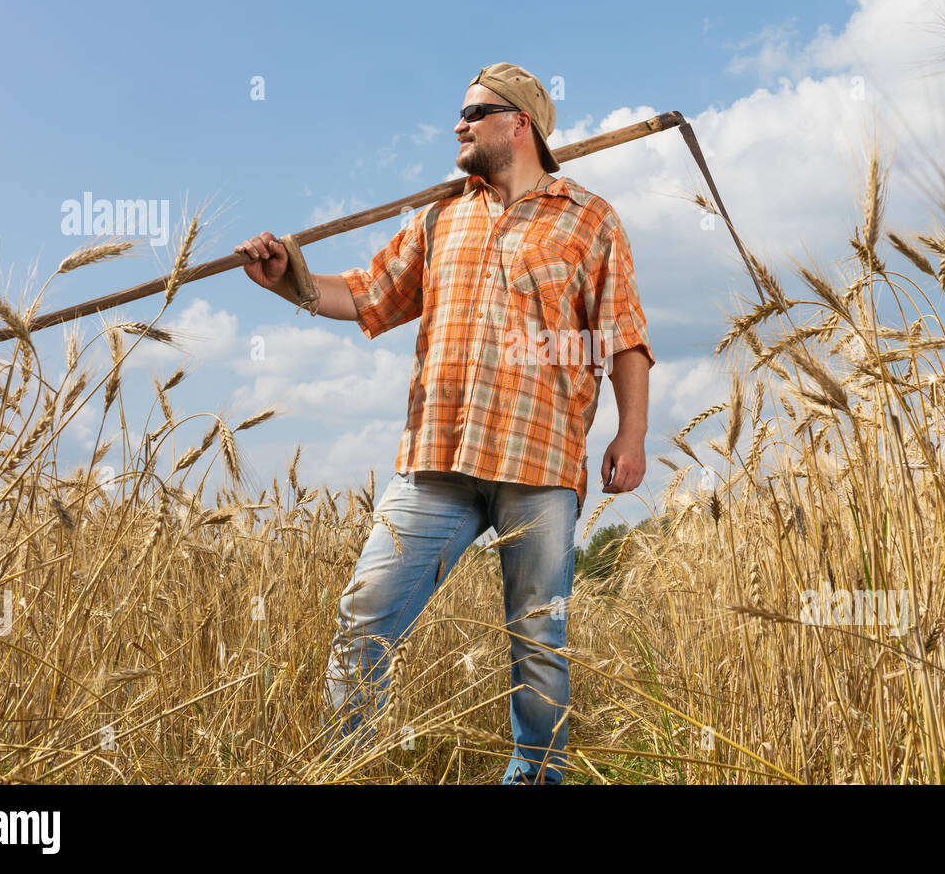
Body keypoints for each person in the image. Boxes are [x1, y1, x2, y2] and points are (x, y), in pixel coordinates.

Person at [233, 62, 654, 784]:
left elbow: (624, 338)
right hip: (439, 458)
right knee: (363, 619)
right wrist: (291, 282)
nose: (458, 125)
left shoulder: (589, 219)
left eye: (475, 112)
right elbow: (365, 296)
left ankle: (535, 778)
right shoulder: (439, 216)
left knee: (539, 644)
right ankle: (352, 767)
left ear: (519, 123)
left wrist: (631, 434)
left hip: (542, 460)